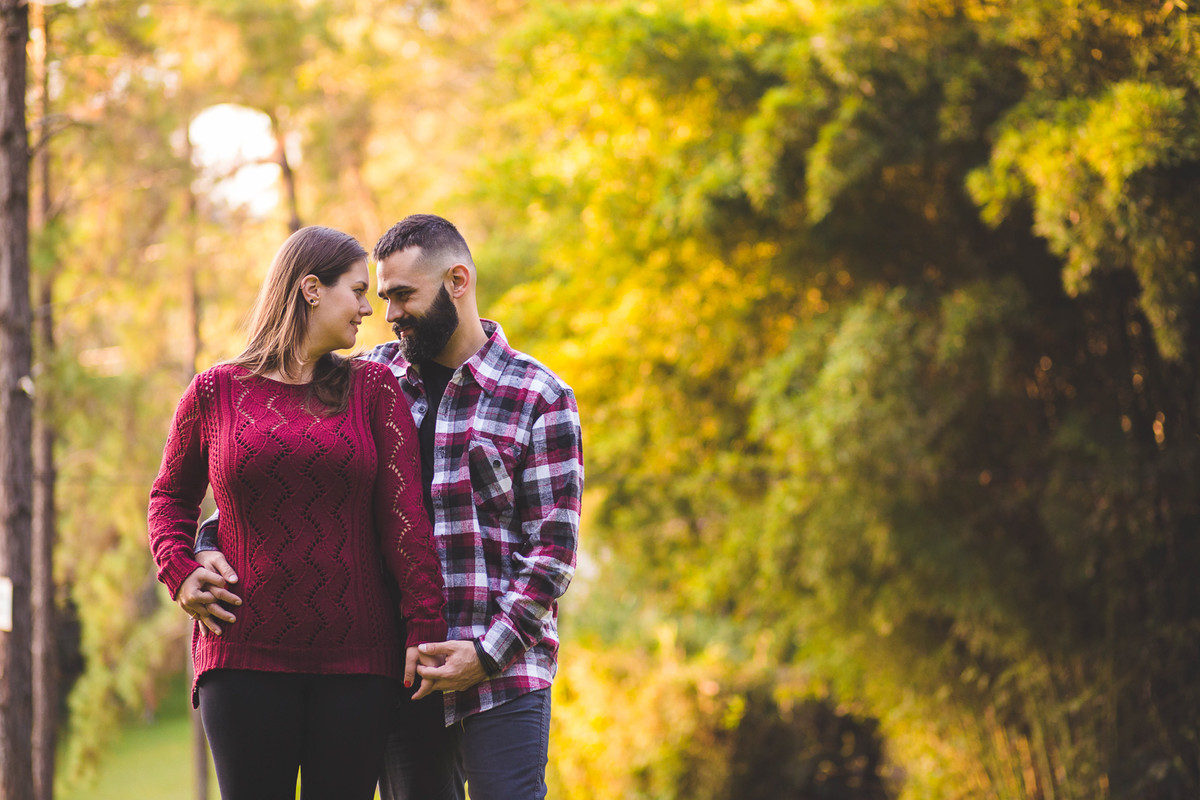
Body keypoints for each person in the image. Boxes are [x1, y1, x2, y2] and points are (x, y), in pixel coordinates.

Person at [183, 214, 584, 800]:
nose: (387, 312)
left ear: (457, 282)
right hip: (403, 671)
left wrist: (486, 653)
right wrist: (204, 547)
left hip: (505, 671)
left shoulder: (539, 396)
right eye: (380, 294)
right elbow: (290, 491)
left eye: (402, 295)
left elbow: (551, 554)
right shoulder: (365, 379)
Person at [148, 225, 447, 800]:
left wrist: (425, 625)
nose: (368, 309)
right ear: (311, 289)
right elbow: (169, 499)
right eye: (357, 291)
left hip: (359, 664)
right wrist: (179, 571)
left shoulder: (373, 388)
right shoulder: (214, 391)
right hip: (241, 657)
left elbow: (405, 520)